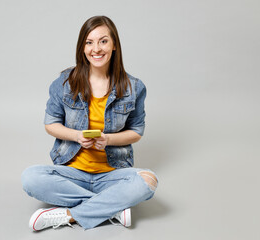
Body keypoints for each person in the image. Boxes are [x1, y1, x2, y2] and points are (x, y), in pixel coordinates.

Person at [21, 15, 158, 231]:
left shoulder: (134, 87)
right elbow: (51, 124)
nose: (96, 49)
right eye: (89, 42)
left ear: (114, 46)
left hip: (112, 173)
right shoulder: (65, 82)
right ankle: (112, 206)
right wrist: (76, 136)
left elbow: (136, 131)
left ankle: (69, 215)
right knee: (30, 178)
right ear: (82, 48)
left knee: (149, 180)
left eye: (103, 41)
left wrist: (109, 140)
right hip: (72, 173)